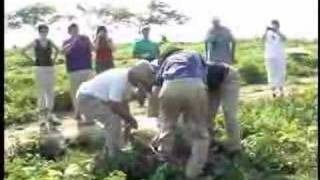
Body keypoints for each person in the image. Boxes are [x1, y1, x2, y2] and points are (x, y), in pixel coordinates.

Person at [75, 60, 155, 168]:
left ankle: (114, 149)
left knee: (117, 119)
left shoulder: (129, 81)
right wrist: (131, 119)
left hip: (97, 98)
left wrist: (128, 123)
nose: (141, 85)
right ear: (137, 77)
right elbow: (115, 106)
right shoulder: (120, 80)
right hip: (86, 98)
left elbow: (124, 105)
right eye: (142, 82)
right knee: (112, 119)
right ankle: (111, 156)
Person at [152, 45, 209, 179]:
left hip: (169, 87)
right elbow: (204, 78)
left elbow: (156, 86)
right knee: (200, 133)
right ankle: (192, 173)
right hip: (195, 85)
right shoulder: (195, 54)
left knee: (168, 127)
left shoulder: (167, 61)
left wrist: (156, 115)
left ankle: (165, 165)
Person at [21, 24, 60, 123]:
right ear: (39, 32)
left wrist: (54, 60)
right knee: (41, 92)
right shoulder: (36, 42)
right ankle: (42, 117)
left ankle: (50, 114)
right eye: (42, 31)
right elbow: (23, 51)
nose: (44, 33)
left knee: (50, 91)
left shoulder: (50, 41)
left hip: (50, 68)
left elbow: (58, 50)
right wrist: (32, 60)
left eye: (46, 31)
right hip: (39, 68)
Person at [206, 62, 241, 153]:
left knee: (229, 112)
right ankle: (210, 144)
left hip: (228, 76)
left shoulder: (190, 72)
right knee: (207, 114)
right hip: (212, 83)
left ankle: (235, 147)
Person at [62, 23, 94, 119]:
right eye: (72, 30)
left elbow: (93, 49)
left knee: (88, 92)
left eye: (76, 29)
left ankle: (89, 113)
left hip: (86, 68)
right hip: (73, 70)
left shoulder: (85, 38)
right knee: (75, 92)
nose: (75, 31)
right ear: (69, 32)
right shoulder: (66, 42)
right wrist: (73, 42)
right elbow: (64, 52)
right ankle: (78, 112)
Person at [263, 20, 287, 97]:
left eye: (275, 25)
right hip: (269, 56)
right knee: (271, 73)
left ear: (278, 26)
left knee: (280, 73)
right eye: (272, 25)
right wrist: (266, 31)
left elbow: (284, 39)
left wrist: (277, 31)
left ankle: (281, 91)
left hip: (280, 57)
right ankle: (273, 92)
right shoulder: (268, 34)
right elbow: (262, 39)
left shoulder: (280, 34)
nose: (273, 27)